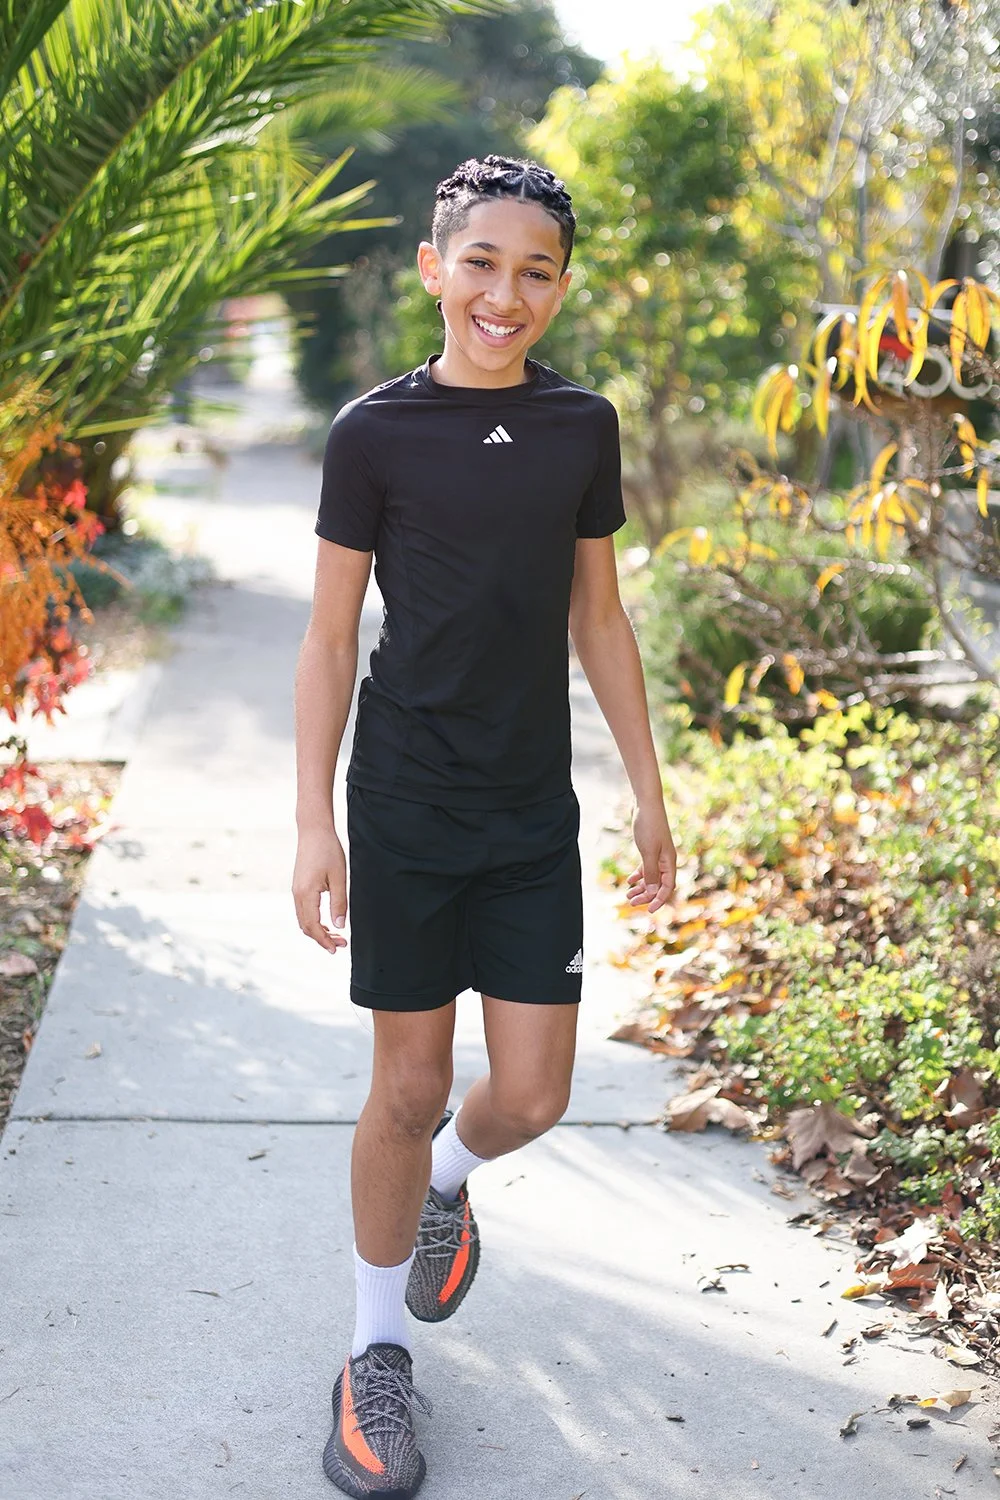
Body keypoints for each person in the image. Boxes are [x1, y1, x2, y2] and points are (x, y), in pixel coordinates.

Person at [292, 153, 677, 1500]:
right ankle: (375, 1351)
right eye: (482, 264)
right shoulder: (374, 434)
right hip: (403, 799)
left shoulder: (581, 427)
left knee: (531, 1095)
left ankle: (448, 1182)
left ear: (561, 288)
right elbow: (330, 636)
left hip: (527, 810)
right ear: (434, 268)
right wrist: (314, 822)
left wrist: (648, 790)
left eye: (536, 272)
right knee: (404, 1087)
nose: (505, 294)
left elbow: (600, 616)